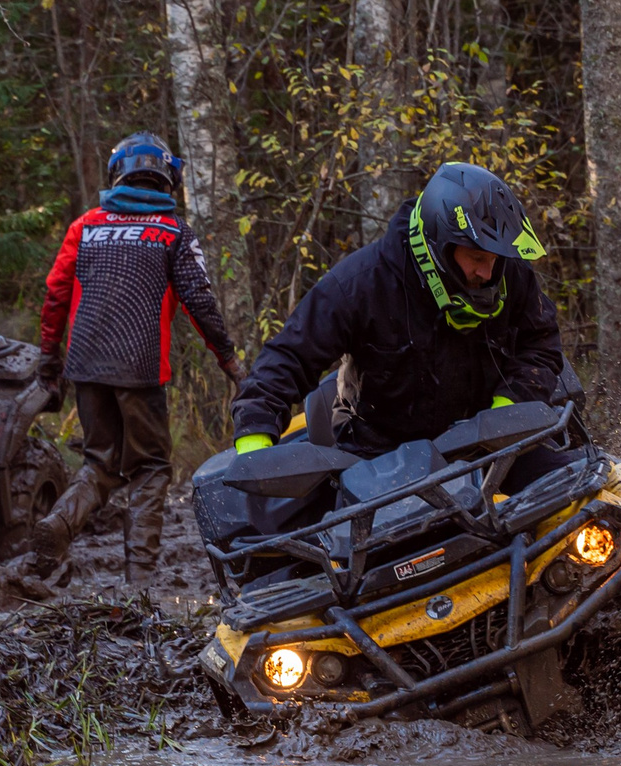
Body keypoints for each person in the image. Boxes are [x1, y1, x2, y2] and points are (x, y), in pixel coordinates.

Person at [230, 162, 564, 462]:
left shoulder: (508, 273)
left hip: (487, 445)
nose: (488, 273)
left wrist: (504, 416)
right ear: (440, 245)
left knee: (584, 494)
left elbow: (542, 344)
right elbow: (288, 357)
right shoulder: (361, 284)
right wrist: (254, 445)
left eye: (495, 259)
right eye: (477, 258)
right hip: (380, 458)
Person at [33, 133, 242, 586]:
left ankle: (60, 523)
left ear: (118, 175)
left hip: (85, 364)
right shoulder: (173, 232)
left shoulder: (84, 226)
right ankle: (140, 583)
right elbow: (200, 301)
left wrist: (50, 361)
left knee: (101, 463)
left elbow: (55, 294)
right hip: (142, 366)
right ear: (169, 179)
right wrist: (228, 361)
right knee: (149, 468)